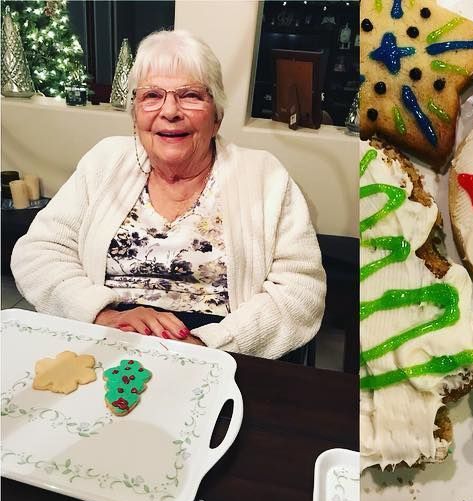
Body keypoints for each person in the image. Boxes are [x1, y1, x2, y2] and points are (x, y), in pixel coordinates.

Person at [11, 29, 325, 360]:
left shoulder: (265, 176)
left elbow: (301, 293)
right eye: (152, 96)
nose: (170, 110)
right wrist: (102, 315)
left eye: (190, 95)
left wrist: (209, 344)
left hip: (218, 350)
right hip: (108, 339)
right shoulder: (104, 162)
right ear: (135, 115)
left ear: (216, 117)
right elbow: (38, 253)